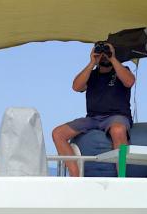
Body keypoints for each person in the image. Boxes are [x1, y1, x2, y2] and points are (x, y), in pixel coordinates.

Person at [52, 42, 135, 177]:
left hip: (116, 116)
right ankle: (75, 176)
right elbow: (76, 87)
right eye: (101, 52)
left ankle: (122, 178)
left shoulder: (122, 70)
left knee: (118, 130)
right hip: (92, 118)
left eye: (106, 51)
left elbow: (129, 81)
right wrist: (92, 62)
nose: (104, 56)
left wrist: (113, 58)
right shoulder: (91, 75)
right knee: (58, 133)